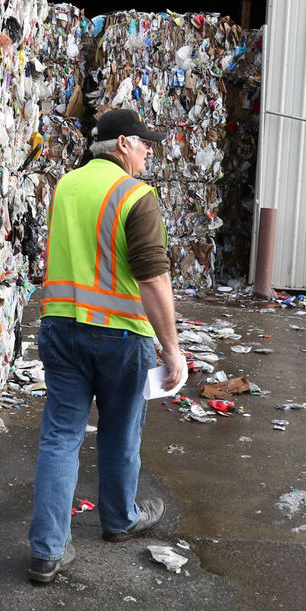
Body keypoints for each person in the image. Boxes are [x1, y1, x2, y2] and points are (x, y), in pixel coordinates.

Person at [27, 108, 187, 584]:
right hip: (120, 335)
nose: (149, 151)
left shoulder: (65, 187)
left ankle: (48, 551)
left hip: (60, 327)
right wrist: (172, 348)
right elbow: (153, 278)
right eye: (144, 143)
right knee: (120, 432)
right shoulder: (135, 194)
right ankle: (119, 519)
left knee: (61, 436)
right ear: (122, 144)